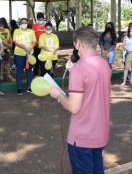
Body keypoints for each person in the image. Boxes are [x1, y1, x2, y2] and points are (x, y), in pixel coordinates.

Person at [49, 27, 110, 174]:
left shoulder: (79, 69)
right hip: (99, 132)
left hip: (82, 136)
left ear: (78, 44)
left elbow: (73, 107)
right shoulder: (104, 64)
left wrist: (58, 95)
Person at [13, 18, 36, 95]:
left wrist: (29, 48)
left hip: (29, 54)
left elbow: (34, 42)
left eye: (25, 22)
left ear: (27, 23)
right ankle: (19, 88)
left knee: (29, 71)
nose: (24, 24)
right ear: (20, 24)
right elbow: (16, 41)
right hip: (19, 54)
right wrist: (25, 47)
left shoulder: (31, 31)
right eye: (22, 23)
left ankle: (29, 87)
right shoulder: (17, 31)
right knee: (19, 71)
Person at [32, 12, 46, 77]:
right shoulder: (35, 25)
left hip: (44, 48)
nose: (40, 20)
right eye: (39, 19)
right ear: (37, 19)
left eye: (41, 19)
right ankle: (35, 74)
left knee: (43, 62)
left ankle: (44, 75)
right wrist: (37, 43)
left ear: (43, 18)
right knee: (37, 62)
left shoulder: (46, 25)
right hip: (37, 47)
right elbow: (33, 36)